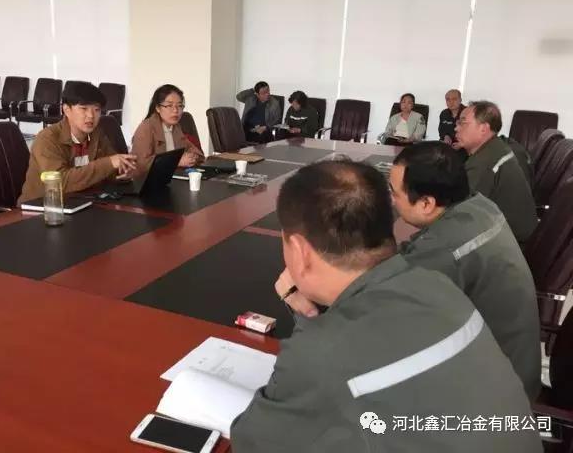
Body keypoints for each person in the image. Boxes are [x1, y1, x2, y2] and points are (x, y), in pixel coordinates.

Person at [230, 160, 541, 452]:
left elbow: (252, 441)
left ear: (299, 251)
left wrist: (308, 319)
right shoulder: (437, 284)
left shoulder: (322, 353)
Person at [390, 141, 541, 399]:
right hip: (512, 363)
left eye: (394, 193)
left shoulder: (447, 251)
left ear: (426, 203)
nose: (392, 200)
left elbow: (384, 301)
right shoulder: (480, 205)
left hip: (496, 393)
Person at [18, 82, 136, 204]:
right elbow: (60, 183)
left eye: (97, 110)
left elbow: (110, 170)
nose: (91, 116)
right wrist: (109, 163)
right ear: (66, 110)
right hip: (41, 206)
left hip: (81, 202)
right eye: (84, 109)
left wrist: (123, 171)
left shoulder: (97, 134)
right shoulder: (47, 139)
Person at [454, 101, 538, 243]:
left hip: (510, 242)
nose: (456, 128)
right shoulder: (497, 147)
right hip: (513, 234)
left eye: (463, 123)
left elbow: (459, 211)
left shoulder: (485, 162)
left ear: (483, 128)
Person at [131, 84, 204, 176]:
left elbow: (195, 151)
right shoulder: (146, 128)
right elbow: (141, 164)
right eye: (169, 105)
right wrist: (176, 161)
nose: (175, 110)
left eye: (179, 106)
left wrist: (192, 157)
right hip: (149, 181)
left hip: (173, 177)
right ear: (158, 108)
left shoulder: (176, 127)